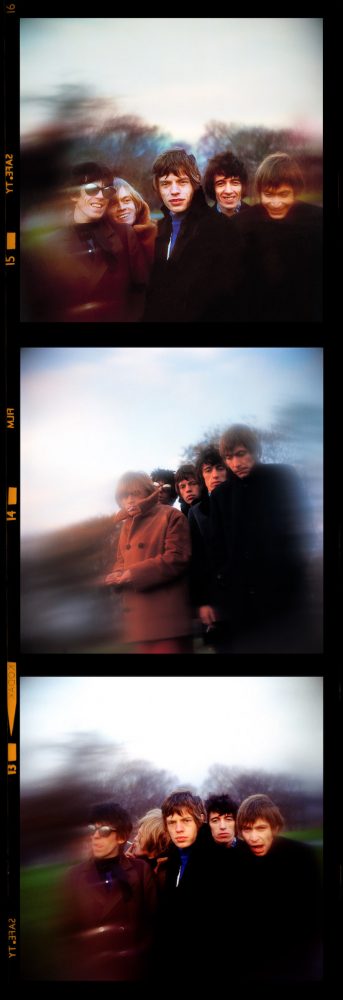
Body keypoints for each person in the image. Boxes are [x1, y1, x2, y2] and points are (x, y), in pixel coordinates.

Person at [209, 424, 311, 652]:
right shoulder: (220, 495)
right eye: (229, 457)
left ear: (255, 451)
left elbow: (302, 525)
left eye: (241, 454)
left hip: (285, 592)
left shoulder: (283, 477)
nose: (235, 463)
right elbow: (217, 548)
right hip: (242, 601)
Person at [21, 161, 149, 322]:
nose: (101, 196)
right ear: (74, 195)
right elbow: (37, 307)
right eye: (92, 189)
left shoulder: (124, 234)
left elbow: (142, 290)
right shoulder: (47, 245)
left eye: (106, 191)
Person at [60, 800, 157, 980]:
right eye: (92, 829)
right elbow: (67, 934)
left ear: (121, 837)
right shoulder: (73, 876)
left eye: (104, 831)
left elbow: (154, 923)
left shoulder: (141, 871)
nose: (95, 836)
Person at [143, 147, 238, 322]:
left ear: (194, 185)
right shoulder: (162, 227)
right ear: (157, 187)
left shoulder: (219, 228)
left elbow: (230, 298)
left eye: (181, 182)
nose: (174, 191)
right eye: (166, 184)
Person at [235, 794, 322, 981]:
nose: (253, 837)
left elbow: (312, 916)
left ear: (274, 827)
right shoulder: (237, 859)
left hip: (294, 961)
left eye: (261, 828)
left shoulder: (301, 857)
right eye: (247, 829)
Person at [104, 472, 193, 653]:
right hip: (139, 620)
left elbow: (177, 557)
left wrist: (134, 574)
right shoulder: (126, 525)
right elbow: (121, 560)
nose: (128, 500)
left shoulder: (171, 516)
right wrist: (117, 574)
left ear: (148, 493)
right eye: (123, 496)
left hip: (167, 619)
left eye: (134, 493)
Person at [233, 151, 322, 321]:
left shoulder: (316, 222)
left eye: (283, 194)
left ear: (295, 192)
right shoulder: (242, 226)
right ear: (259, 193)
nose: (275, 203)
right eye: (268, 194)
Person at [157, 791, 214, 979]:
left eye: (186, 821)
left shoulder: (220, 861)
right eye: (172, 823)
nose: (178, 829)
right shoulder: (174, 857)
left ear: (200, 820)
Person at [108, 177, 157, 265]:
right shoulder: (103, 243)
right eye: (113, 203)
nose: (122, 208)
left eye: (126, 200)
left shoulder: (159, 232)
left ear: (136, 203)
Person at [203, 149, 251, 217]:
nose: (228, 191)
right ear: (212, 188)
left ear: (243, 186)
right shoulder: (203, 222)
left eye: (234, 183)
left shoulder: (257, 219)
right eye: (221, 184)